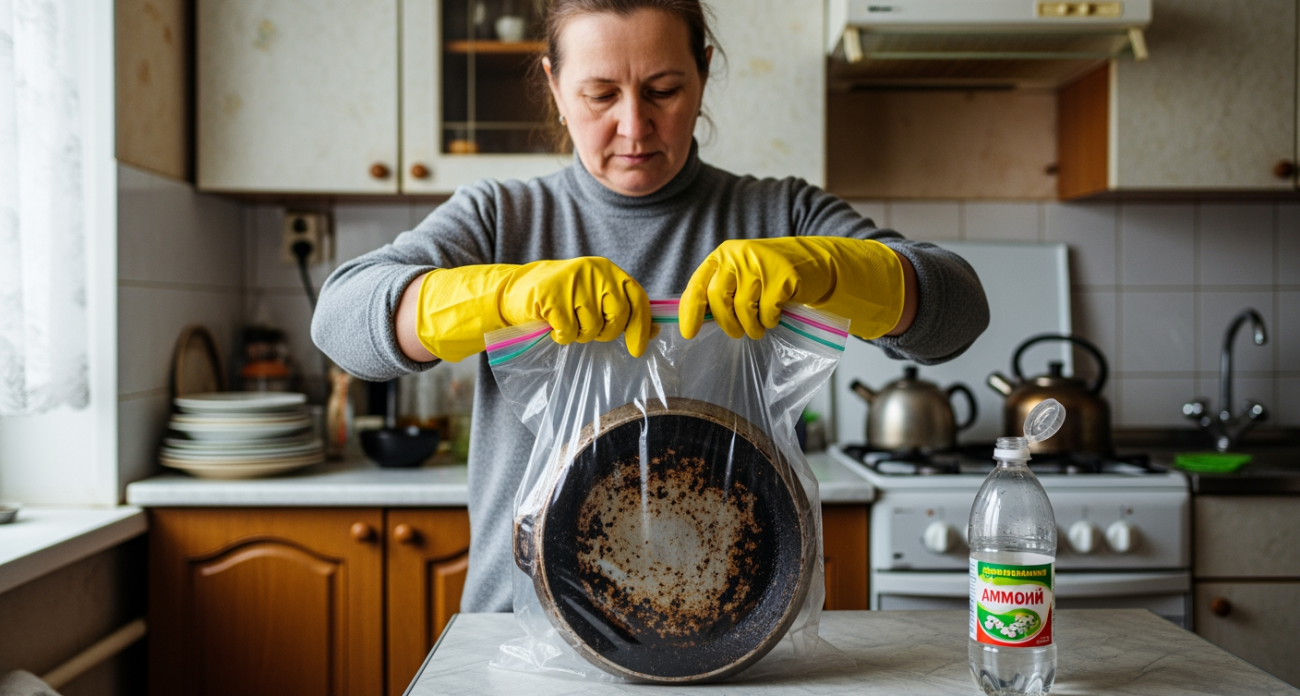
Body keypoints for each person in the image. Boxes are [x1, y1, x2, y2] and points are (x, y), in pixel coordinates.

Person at [312, 0, 989, 613]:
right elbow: (341, 320)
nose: (634, 126)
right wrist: (503, 293)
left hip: (730, 631)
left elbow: (959, 312)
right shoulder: (500, 218)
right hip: (522, 629)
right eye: (600, 94)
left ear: (704, 73)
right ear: (554, 86)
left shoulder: (779, 213)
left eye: (663, 90)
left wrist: (833, 268)